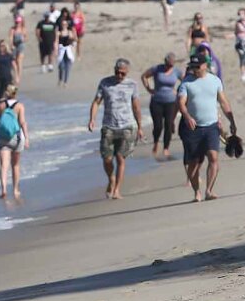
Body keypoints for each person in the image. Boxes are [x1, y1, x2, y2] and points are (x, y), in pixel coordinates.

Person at [177, 52, 237, 202]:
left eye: (198, 66)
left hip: (211, 126)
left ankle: (209, 190)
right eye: (193, 66)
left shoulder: (215, 81)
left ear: (205, 65)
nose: (195, 69)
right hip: (193, 129)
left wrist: (232, 120)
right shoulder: (186, 83)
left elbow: (223, 102)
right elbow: (181, 104)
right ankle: (196, 191)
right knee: (193, 165)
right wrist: (187, 116)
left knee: (213, 157)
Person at [89, 59, 144, 200]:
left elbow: (137, 107)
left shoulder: (132, 85)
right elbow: (96, 102)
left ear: (127, 72)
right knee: (107, 158)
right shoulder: (105, 83)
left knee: (120, 158)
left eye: (123, 74)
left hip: (127, 126)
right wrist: (92, 119)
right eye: (117, 72)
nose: (119, 76)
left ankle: (117, 190)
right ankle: (111, 179)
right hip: (109, 126)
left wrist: (140, 127)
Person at [0, 84, 29, 199]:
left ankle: (3, 189)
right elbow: (22, 122)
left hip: (2, 138)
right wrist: (27, 138)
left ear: (6, 93)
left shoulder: (1, 105)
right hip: (16, 138)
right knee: (15, 165)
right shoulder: (20, 106)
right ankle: (15, 190)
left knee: (4, 165)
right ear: (15, 93)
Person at [141, 52, 181, 160]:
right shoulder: (157, 69)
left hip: (171, 102)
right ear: (165, 62)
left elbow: (185, 81)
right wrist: (149, 89)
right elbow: (144, 76)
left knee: (169, 125)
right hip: (156, 101)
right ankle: (155, 143)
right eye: (168, 64)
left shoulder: (176, 72)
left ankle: (166, 149)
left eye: (171, 65)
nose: (169, 67)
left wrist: (179, 92)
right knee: (158, 126)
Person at [55, 18, 76, 85]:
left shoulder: (69, 32)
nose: (64, 25)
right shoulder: (59, 33)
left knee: (67, 67)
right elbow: (56, 42)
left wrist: (72, 37)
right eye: (63, 24)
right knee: (61, 66)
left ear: (67, 25)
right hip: (61, 51)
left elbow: (73, 41)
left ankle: (65, 82)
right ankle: (60, 79)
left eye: (65, 24)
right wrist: (56, 50)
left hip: (68, 51)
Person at [9, 15, 27, 81]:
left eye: (18, 22)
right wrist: (11, 45)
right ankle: (16, 74)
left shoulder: (23, 29)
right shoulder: (12, 29)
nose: (17, 23)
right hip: (14, 45)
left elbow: (26, 37)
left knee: (19, 60)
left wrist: (23, 39)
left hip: (21, 46)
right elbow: (10, 38)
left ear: (21, 22)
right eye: (16, 22)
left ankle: (18, 77)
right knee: (13, 62)